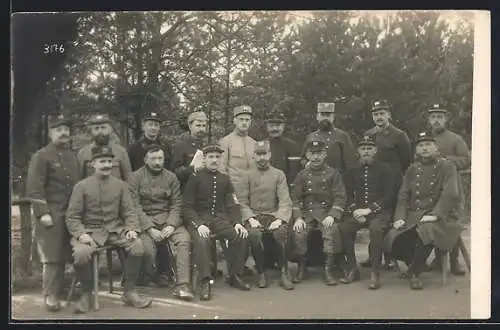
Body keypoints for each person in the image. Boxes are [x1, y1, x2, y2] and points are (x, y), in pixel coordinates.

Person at [65, 145, 152, 313]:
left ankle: (129, 291)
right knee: (81, 254)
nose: (106, 165)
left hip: (114, 230)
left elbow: (129, 212)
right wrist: (81, 234)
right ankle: (86, 293)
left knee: (137, 246)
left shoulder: (121, 185)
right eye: (102, 161)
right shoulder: (81, 186)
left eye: (109, 161)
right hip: (90, 231)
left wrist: (132, 229)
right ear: (92, 164)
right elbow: (72, 217)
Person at [383, 132, 463, 290]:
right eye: (421, 145)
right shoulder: (413, 169)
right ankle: (414, 263)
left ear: (436, 148)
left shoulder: (447, 166)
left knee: (426, 232)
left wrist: (435, 215)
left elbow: (450, 193)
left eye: (428, 145)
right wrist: (399, 217)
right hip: (415, 214)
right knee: (393, 237)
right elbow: (403, 195)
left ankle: (415, 273)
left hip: (443, 215)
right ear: (416, 150)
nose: (424, 148)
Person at [25, 114, 80, 312]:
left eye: (66, 129)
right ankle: (51, 295)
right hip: (52, 213)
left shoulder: (74, 156)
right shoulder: (41, 156)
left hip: (72, 214)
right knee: (52, 256)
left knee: (73, 252)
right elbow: (34, 186)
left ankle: (71, 291)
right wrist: (42, 212)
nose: (64, 133)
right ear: (50, 133)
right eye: (59, 129)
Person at [183, 144, 252, 301]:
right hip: (199, 219)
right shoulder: (195, 178)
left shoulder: (224, 178)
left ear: (221, 159)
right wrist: (198, 224)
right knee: (202, 241)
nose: (214, 160)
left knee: (239, 235)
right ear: (205, 159)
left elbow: (232, 203)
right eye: (211, 157)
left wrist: (237, 222)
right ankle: (205, 281)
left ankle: (235, 275)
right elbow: (186, 206)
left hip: (218, 219)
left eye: (217, 157)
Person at [128, 144, 194, 300]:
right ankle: (150, 275)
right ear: (145, 160)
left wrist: (171, 224)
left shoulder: (171, 177)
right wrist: (150, 229)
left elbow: (177, 203)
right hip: (145, 222)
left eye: (160, 158)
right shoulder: (135, 177)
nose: (157, 162)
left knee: (184, 240)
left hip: (167, 219)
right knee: (148, 251)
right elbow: (134, 206)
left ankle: (183, 285)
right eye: (153, 159)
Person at [338, 136, 398, 290]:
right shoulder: (351, 169)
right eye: (363, 149)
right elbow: (346, 193)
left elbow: (389, 195)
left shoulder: (385, 169)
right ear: (358, 151)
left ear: (375, 151)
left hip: (379, 212)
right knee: (344, 228)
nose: (366, 152)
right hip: (358, 212)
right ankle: (352, 268)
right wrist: (354, 209)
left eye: (370, 149)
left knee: (376, 230)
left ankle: (375, 271)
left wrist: (370, 209)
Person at [361, 100, 412, 270]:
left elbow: (407, 161)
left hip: (394, 183)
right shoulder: (369, 134)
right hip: (376, 184)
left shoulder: (399, 135)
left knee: (389, 221)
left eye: (382, 113)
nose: (379, 117)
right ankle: (373, 255)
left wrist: (400, 180)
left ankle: (390, 257)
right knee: (376, 219)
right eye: (376, 114)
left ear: (389, 115)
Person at [238, 140, 294, 290]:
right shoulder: (246, 175)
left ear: (270, 155)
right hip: (254, 215)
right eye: (258, 154)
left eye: (265, 154)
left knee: (281, 232)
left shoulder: (278, 174)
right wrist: (250, 218)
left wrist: (280, 219)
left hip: (273, 215)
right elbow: (242, 201)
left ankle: (284, 272)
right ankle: (261, 272)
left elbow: (285, 200)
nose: (262, 158)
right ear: (254, 156)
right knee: (254, 235)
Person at [291, 139, 347, 286]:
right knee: (299, 233)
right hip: (307, 213)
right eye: (312, 154)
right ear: (308, 155)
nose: (316, 157)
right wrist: (298, 217)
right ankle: (301, 267)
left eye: (319, 154)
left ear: (325, 155)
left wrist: (332, 215)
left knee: (331, 231)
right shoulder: (302, 175)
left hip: (326, 212)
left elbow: (340, 196)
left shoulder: (333, 174)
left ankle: (328, 269)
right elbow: (295, 198)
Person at [425, 103, 470, 275]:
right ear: (429, 120)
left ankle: (454, 261)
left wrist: (445, 159)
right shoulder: (425, 139)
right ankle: (438, 260)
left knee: (452, 221)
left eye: (439, 117)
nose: (436, 121)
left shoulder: (455, 139)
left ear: (445, 119)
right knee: (435, 220)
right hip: (432, 187)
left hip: (453, 187)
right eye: (433, 117)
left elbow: (466, 160)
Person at [301, 102, 356, 186]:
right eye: (322, 115)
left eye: (328, 115)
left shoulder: (342, 136)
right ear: (317, 117)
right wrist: (307, 164)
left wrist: (346, 183)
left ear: (333, 117)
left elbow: (349, 163)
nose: (325, 118)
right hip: (315, 182)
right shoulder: (311, 137)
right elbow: (303, 159)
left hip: (336, 181)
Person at [78, 113, 132, 181]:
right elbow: (79, 180)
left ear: (110, 130)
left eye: (103, 127)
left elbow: (128, 179)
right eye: (96, 128)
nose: (100, 131)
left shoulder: (121, 151)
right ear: (91, 131)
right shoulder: (83, 153)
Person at [218, 105, 257, 198]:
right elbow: (222, 169)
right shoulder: (226, 142)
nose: (244, 123)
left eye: (247, 120)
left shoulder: (254, 143)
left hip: (253, 191)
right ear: (234, 121)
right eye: (241, 119)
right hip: (233, 191)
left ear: (250, 122)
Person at [172, 111, 209, 190]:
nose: (201, 129)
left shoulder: (207, 145)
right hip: (186, 189)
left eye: (203, 126)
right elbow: (175, 171)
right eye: (198, 125)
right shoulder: (180, 145)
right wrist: (193, 169)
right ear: (190, 125)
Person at [265, 111, 302, 185]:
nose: (274, 128)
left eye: (278, 125)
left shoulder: (292, 146)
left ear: (283, 126)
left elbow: (293, 173)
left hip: (284, 187)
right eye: (271, 125)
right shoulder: (262, 145)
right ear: (267, 127)